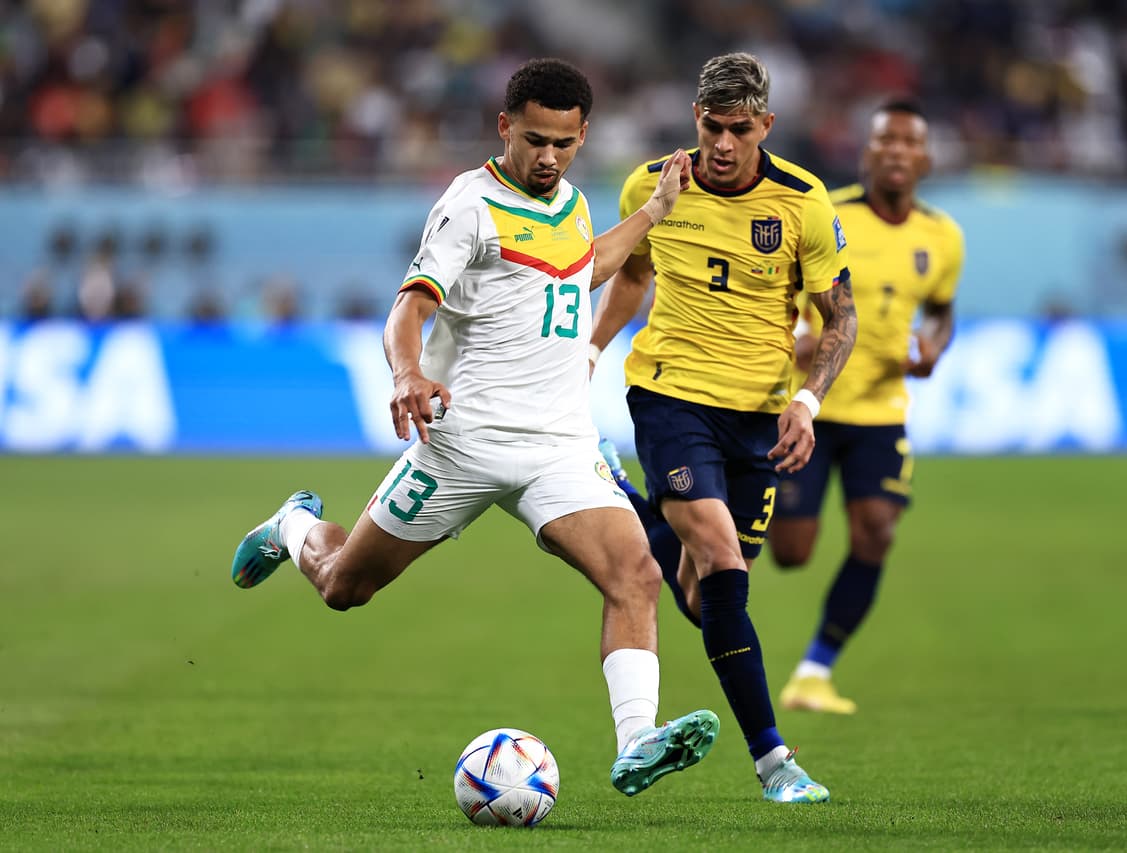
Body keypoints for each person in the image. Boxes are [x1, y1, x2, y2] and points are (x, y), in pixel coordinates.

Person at [229, 58, 720, 798]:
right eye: (533, 140)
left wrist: (653, 212)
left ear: (583, 135)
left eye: (562, 142)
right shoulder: (469, 205)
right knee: (342, 586)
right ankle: (294, 525)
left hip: (557, 441)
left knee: (636, 574)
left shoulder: (575, 205)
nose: (547, 156)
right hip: (462, 444)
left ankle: (637, 740)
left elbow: (579, 269)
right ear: (503, 127)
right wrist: (406, 374)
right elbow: (411, 307)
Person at [589, 52, 857, 804]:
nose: (724, 144)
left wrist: (806, 402)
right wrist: (590, 348)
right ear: (695, 120)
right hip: (670, 395)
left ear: (766, 124)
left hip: (760, 418)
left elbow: (840, 315)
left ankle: (626, 500)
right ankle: (776, 761)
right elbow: (635, 272)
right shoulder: (653, 186)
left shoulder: (802, 202)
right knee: (716, 552)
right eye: (712, 126)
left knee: (703, 595)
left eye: (740, 129)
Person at [768, 99, 965, 715]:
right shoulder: (829, 213)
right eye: (887, 141)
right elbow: (782, 281)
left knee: (877, 529)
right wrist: (792, 334)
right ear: (868, 153)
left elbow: (940, 308)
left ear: (926, 159)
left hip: (882, 410)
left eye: (911, 141)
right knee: (791, 552)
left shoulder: (942, 236)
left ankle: (815, 671)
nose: (899, 151)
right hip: (811, 406)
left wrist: (933, 347)